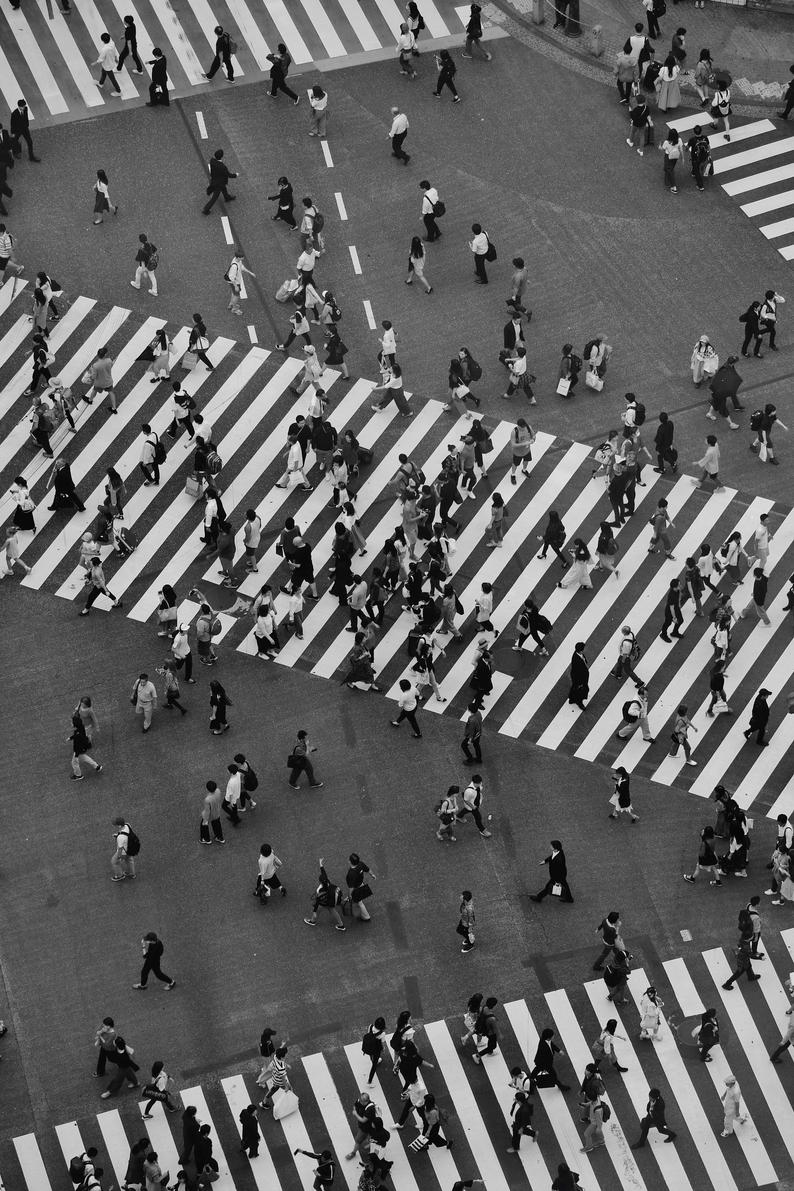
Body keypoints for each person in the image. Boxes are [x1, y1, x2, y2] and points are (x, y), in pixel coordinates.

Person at [304, 859, 345, 931]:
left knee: (319, 909)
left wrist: (314, 911)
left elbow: (318, 901)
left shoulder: (320, 890)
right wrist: (321, 865)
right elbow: (324, 874)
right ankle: (341, 925)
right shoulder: (328, 882)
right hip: (331, 898)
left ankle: (312, 921)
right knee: (332, 909)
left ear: (320, 882)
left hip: (325, 900)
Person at [203, 149, 237, 215]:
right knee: (215, 197)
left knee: (224, 188)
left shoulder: (212, 161)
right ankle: (206, 209)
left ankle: (227, 197)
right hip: (219, 183)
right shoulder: (222, 167)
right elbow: (229, 175)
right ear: (222, 156)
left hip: (215, 180)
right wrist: (236, 175)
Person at [568, 643, 589, 710]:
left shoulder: (578, 654)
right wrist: (581, 682)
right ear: (581, 650)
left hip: (579, 676)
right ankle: (579, 702)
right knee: (583, 690)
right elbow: (578, 672)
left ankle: (571, 698)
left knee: (574, 687)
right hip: (579, 678)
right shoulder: (576, 659)